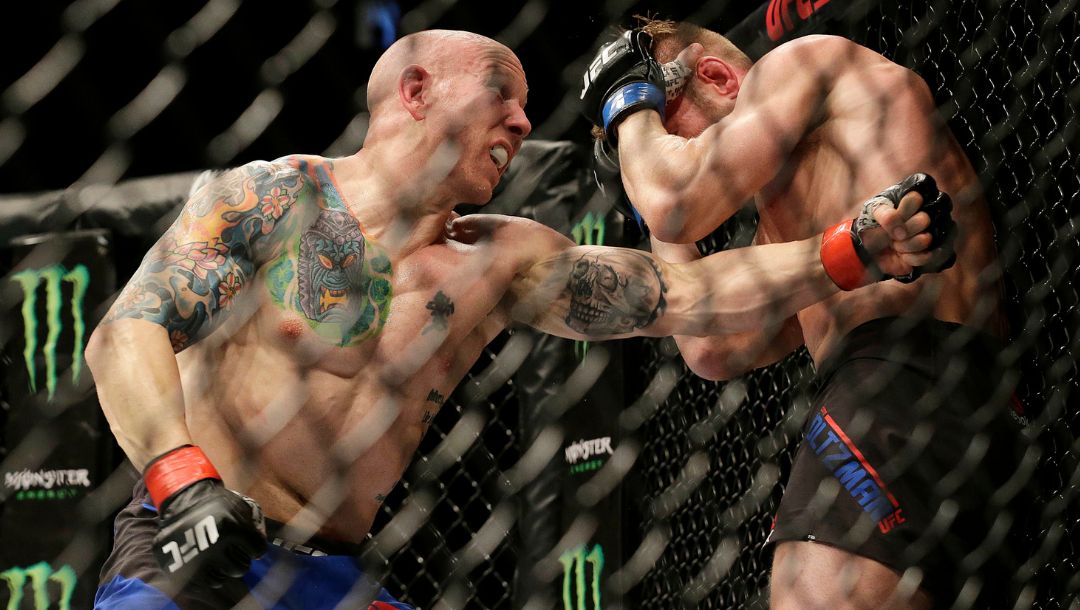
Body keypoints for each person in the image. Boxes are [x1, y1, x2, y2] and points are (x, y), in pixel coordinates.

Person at [85, 29, 949, 610]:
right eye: (503, 92)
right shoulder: (272, 198)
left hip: (335, 574)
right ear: (416, 91)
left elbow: (681, 296)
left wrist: (843, 251)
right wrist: (183, 481)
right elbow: (125, 333)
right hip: (193, 537)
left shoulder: (499, 260)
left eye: (527, 103)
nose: (525, 120)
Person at [580, 18, 1026, 610]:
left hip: (898, 377)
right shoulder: (798, 220)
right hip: (943, 405)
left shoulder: (803, 61)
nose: (657, 154)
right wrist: (648, 174)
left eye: (667, 134)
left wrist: (629, 108)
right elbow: (711, 346)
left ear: (714, 76)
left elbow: (676, 200)